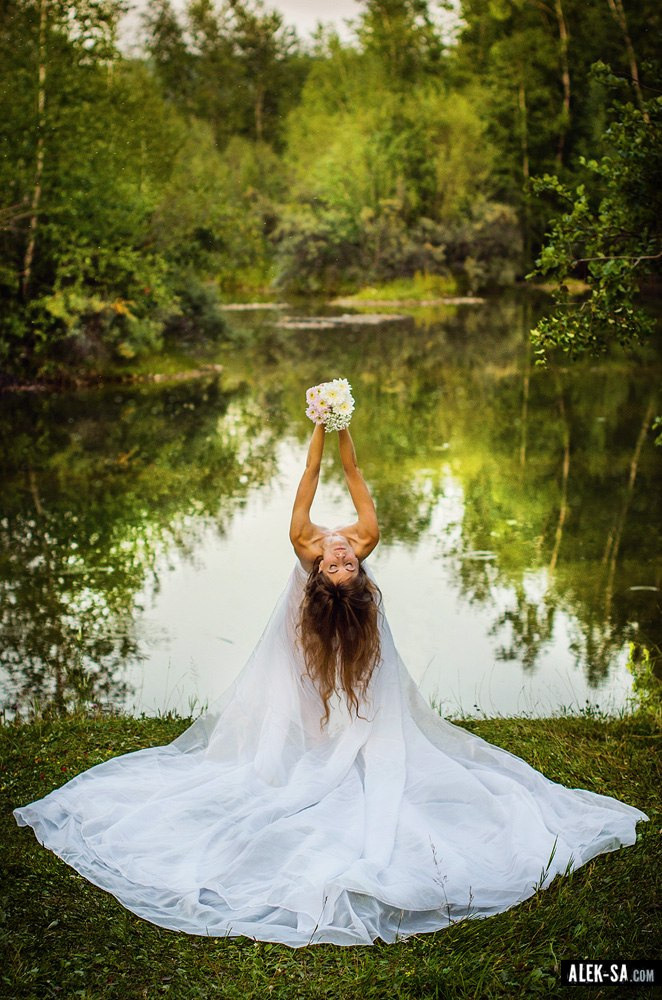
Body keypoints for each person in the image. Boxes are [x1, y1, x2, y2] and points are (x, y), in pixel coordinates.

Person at [13, 412, 649, 948]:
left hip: (323, 630)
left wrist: (325, 425)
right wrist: (336, 425)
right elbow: (348, 477)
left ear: (322, 574)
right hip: (325, 627)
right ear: (347, 573)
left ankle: (336, 742)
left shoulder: (304, 542)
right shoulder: (364, 538)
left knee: (347, 710)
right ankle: (327, 742)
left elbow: (315, 481)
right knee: (324, 708)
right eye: (344, 561)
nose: (343, 553)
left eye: (341, 560)